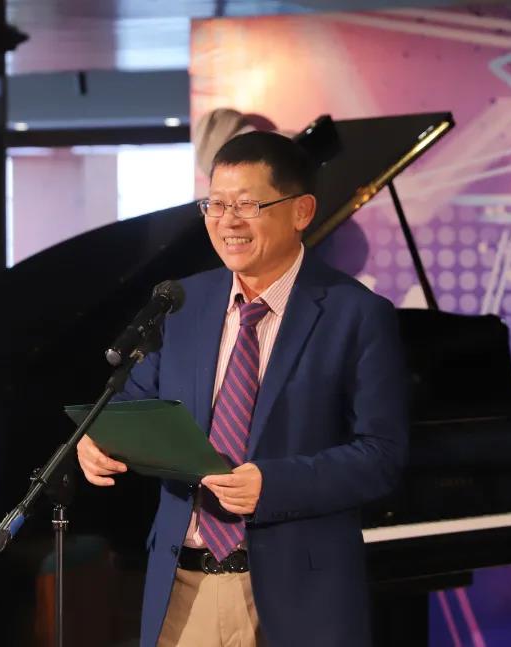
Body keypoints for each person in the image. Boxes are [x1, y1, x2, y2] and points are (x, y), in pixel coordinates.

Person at [76, 131, 408, 647]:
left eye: (248, 204)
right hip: (182, 589)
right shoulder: (182, 303)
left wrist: (274, 485)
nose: (228, 221)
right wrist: (98, 437)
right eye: (216, 204)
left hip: (298, 598)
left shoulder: (357, 315)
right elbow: (131, 402)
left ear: (301, 211)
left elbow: (382, 456)